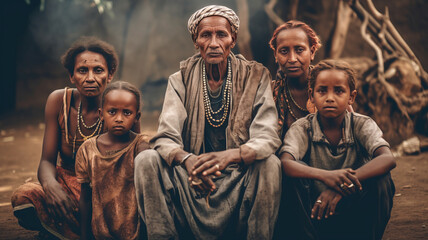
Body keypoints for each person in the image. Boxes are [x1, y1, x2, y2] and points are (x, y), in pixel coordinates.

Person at [134, 5, 282, 239]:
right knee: (146, 159)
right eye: (206, 35)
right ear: (196, 41)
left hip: (238, 177)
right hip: (192, 177)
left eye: (221, 34)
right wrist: (188, 160)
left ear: (232, 39)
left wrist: (230, 156)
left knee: (270, 164)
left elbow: (267, 136)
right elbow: (165, 136)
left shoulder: (256, 75)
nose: (214, 43)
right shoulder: (180, 78)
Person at [11, 36, 119, 239]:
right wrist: (52, 189)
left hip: (106, 191)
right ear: (71, 75)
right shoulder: (58, 101)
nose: (89, 78)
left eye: (98, 70)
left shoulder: (121, 104)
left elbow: (132, 163)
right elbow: (46, 160)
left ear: (110, 74)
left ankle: (62, 230)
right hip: (67, 186)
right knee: (25, 196)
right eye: (82, 70)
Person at [278, 59, 396, 239]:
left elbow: (388, 158)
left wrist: (339, 186)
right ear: (312, 95)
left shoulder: (361, 124)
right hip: (315, 214)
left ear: (351, 97)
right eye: (322, 90)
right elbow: (286, 163)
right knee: (292, 178)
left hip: (355, 213)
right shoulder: (302, 127)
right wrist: (326, 176)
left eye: (339, 91)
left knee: (382, 180)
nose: (330, 97)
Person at [76, 81, 149, 240]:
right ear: (101, 114)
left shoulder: (141, 146)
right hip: (101, 233)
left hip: (137, 234)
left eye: (127, 113)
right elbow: (85, 198)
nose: (119, 118)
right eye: (112, 112)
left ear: (137, 117)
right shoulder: (88, 150)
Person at [269, 20, 322, 139]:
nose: (292, 59)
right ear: (275, 55)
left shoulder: (329, 87)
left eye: (299, 50)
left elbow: (351, 126)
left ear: (312, 52)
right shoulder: (270, 94)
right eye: (284, 51)